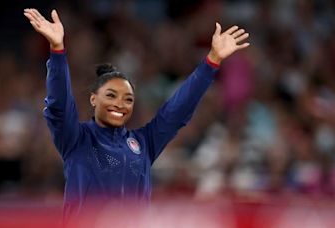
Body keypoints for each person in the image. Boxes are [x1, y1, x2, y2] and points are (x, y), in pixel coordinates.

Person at [23, 8, 249, 221]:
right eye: (111, 95)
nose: (120, 104)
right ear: (94, 99)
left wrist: (211, 62)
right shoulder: (77, 140)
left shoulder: (143, 143)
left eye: (128, 99)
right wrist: (57, 51)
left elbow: (177, 110)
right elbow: (59, 105)